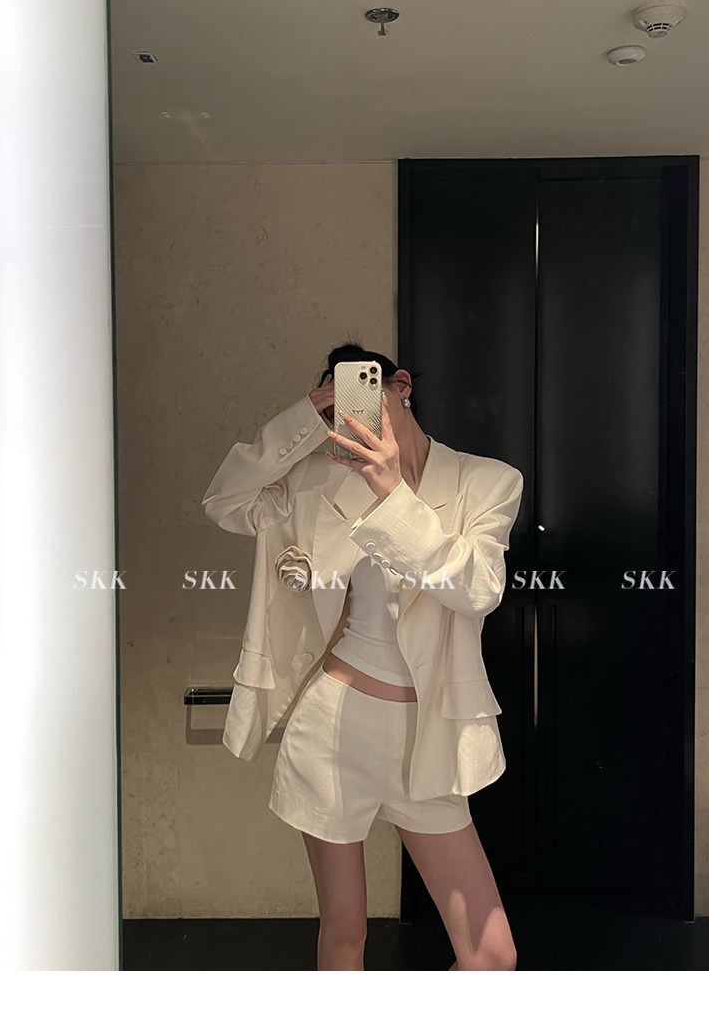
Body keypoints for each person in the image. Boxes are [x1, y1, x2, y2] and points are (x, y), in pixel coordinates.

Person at [201, 342, 524, 970]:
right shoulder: (323, 478)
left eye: (364, 395)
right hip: (334, 730)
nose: (353, 418)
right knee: (345, 935)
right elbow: (225, 502)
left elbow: (477, 588)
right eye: (338, 408)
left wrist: (390, 491)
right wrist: (303, 419)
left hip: (430, 739)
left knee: (491, 957)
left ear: (400, 386)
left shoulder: (486, 481)